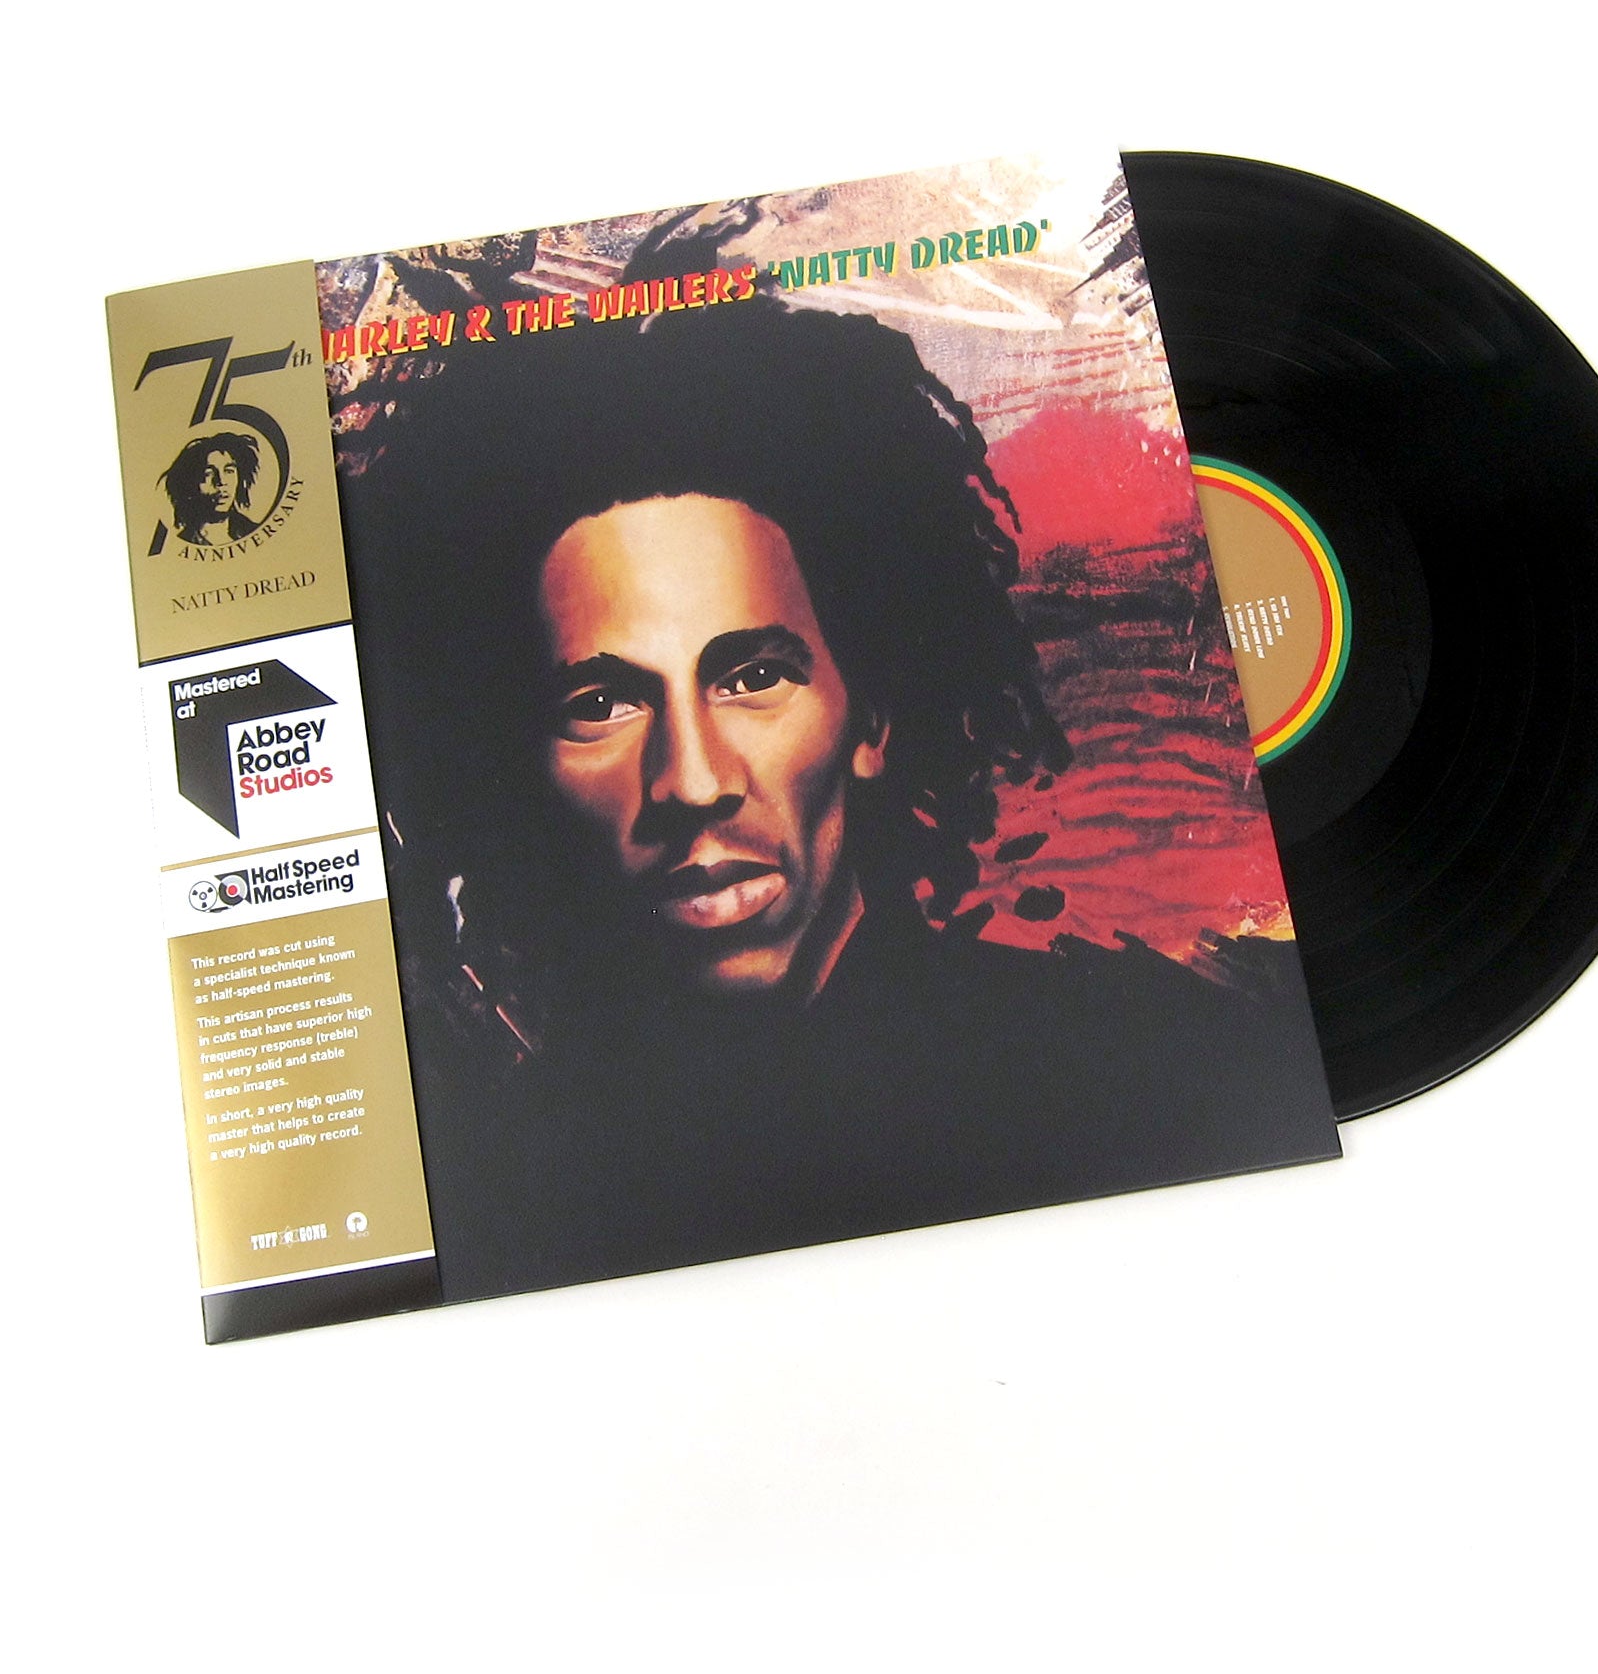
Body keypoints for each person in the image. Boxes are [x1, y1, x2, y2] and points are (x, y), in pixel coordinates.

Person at [347, 292, 1337, 1298]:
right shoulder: (486, 1191)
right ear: (510, 763)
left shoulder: (1150, 1064)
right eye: (602, 704)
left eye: (753, 677)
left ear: (871, 720)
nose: (694, 781)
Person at [157, 432, 262, 544]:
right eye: (208, 473)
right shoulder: (181, 543)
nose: (221, 481)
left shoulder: (254, 532)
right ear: (190, 484)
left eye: (229, 471)